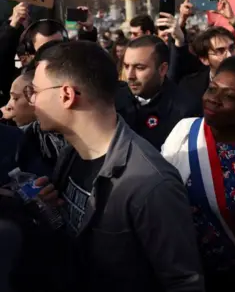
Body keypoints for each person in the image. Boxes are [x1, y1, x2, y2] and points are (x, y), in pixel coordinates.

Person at [31, 41, 204, 292]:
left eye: (35, 91)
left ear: (66, 95)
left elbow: (184, 283)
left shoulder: (150, 184)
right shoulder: (72, 154)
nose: (32, 101)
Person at [162, 56, 235, 290]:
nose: (214, 99)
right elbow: (161, 192)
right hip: (187, 272)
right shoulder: (184, 131)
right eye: (212, 89)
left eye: (229, 96)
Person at [121, 35, 201, 150]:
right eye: (126, 66)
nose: (130, 76)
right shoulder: (114, 100)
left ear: (162, 69)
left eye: (139, 68)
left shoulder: (185, 109)